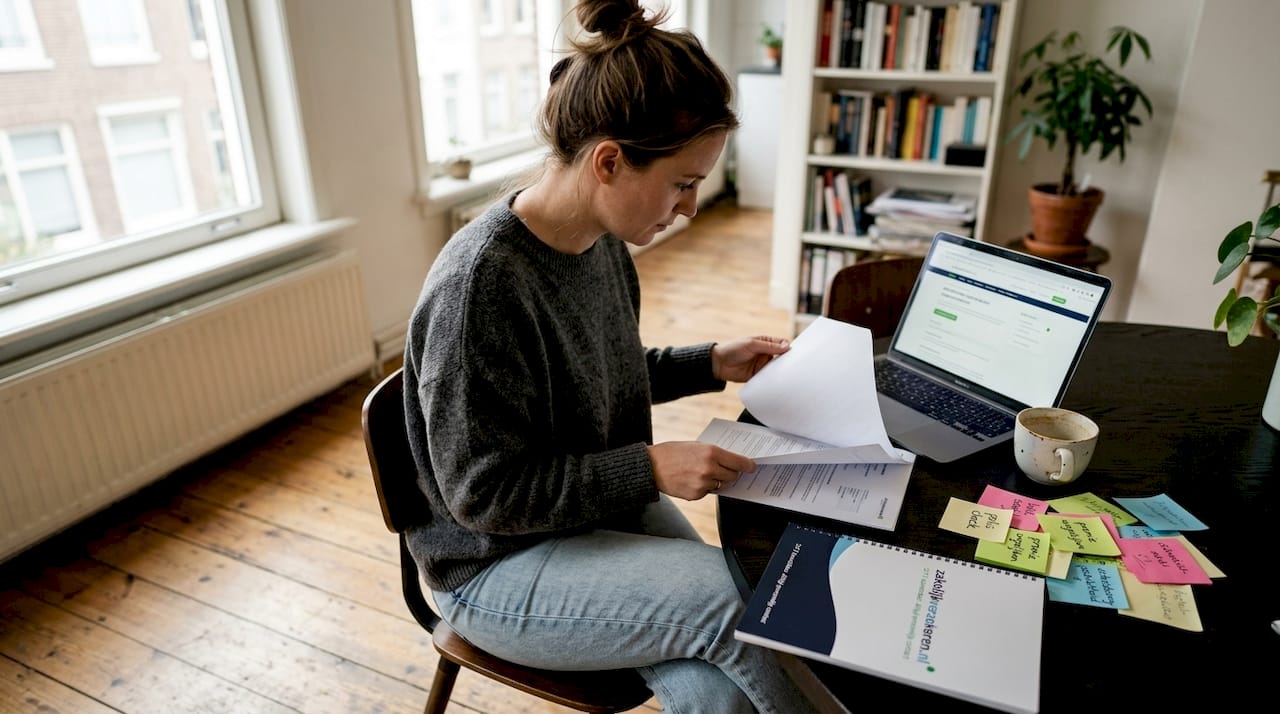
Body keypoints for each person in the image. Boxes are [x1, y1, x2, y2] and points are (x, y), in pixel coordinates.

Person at [402, 2, 835, 711]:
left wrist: (710, 362)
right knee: (740, 601)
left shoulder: (598, 243)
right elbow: (482, 496)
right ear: (609, 161)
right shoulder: (480, 288)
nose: (690, 208)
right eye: (683, 184)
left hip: (586, 516)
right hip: (492, 568)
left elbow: (601, 373)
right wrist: (651, 467)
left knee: (720, 684)